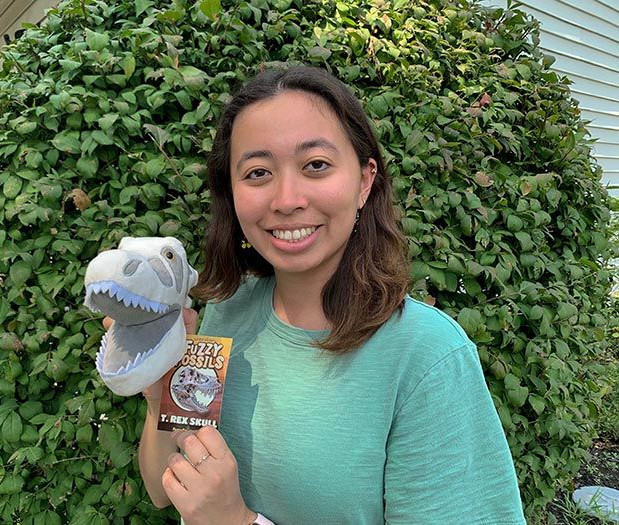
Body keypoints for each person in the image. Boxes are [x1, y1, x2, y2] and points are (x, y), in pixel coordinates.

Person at [130, 65, 527, 524]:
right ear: (232, 195)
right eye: (257, 172)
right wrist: (162, 397)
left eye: (315, 165)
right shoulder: (226, 312)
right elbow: (167, 488)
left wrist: (238, 522)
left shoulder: (426, 357)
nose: (286, 198)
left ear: (364, 180)